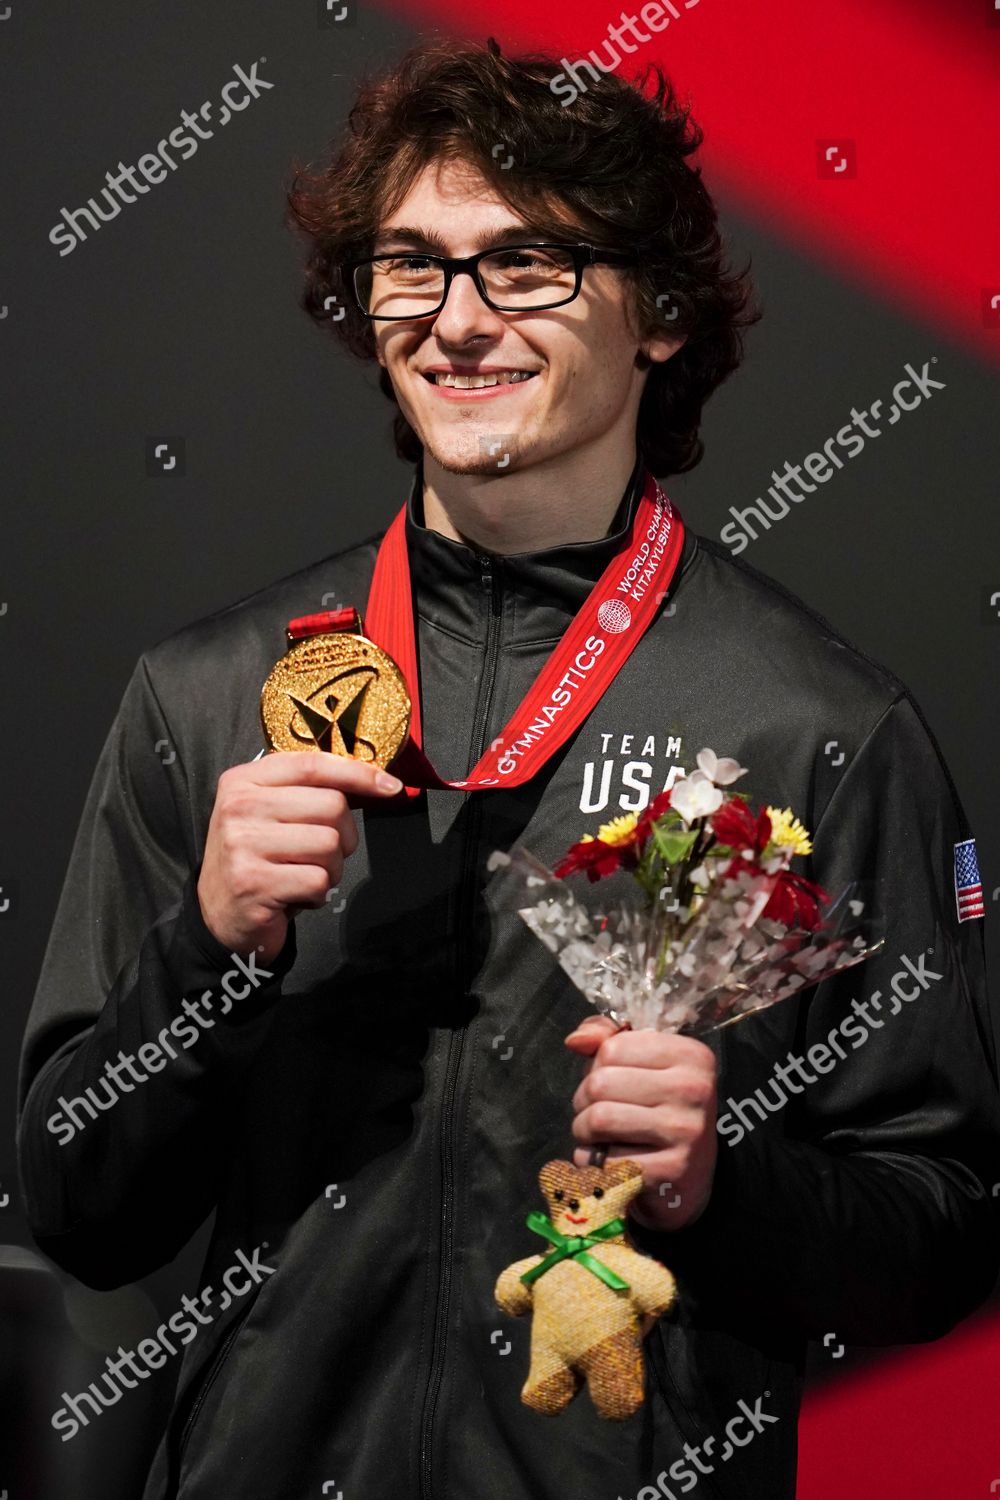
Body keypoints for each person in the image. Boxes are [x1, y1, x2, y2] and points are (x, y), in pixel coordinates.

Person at [16, 35, 1000, 1500]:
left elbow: (948, 1231)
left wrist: (728, 1180)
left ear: (658, 315)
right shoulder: (212, 692)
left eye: (529, 264)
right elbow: (76, 1207)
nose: (458, 320)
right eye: (411, 267)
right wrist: (205, 957)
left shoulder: (818, 727)